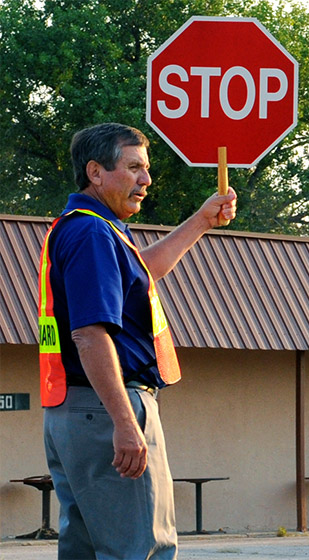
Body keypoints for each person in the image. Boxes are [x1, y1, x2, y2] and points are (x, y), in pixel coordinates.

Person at [39, 123, 236, 559]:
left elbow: (142, 272)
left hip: (75, 411)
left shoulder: (87, 228)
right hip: (107, 409)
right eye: (134, 168)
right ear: (96, 172)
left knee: (88, 550)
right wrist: (127, 424)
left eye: (145, 169)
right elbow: (90, 335)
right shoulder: (93, 233)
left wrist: (202, 220)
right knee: (142, 549)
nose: (146, 180)